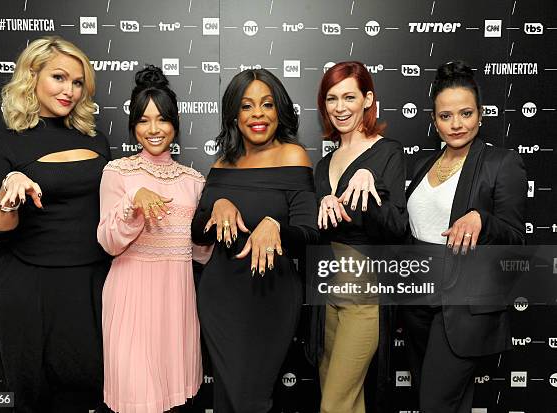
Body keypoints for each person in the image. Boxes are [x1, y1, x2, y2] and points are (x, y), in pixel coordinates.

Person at [0, 36, 111, 412]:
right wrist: (9, 193)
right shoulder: (6, 145)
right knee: (32, 397)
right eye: (59, 77)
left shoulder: (98, 141)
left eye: (78, 82)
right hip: (27, 286)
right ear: (32, 76)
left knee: (91, 393)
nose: (70, 90)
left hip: (89, 282)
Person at [400, 60, 527, 412]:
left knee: (434, 402)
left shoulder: (501, 163)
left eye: (466, 113)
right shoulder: (423, 165)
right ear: (433, 121)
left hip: (462, 306)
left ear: (481, 114)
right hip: (418, 301)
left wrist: (482, 220)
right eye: (445, 116)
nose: (456, 124)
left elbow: (516, 237)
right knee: (451, 403)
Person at [191, 68, 320, 412]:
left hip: (270, 297)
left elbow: (309, 233)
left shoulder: (294, 156)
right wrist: (218, 203)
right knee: (226, 399)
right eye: (247, 106)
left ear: (280, 110)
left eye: (267, 104)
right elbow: (196, 229)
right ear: (235, 114)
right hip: (219, 297)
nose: (258, 114)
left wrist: (275, 225)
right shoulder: (222, 163)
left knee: (252, 400)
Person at [97, 65, 210, 413]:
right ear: (133, 127)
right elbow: (108, 241)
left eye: (162, 119)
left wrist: (221, 221)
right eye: (143, 120)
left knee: (173, 397)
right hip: (130, 298)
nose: (154, 129)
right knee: (135, 396)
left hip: (176, 301)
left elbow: (200, 253)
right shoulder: (117, 172)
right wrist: (134, 203)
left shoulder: (194, 180)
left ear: (175, 125)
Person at [312, 61, 408, 413]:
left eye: (349, 97)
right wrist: (320, 201)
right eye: (332, 98)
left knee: (335, 404)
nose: (340, 107)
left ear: (367, 99)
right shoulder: (324, 164)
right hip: (326, 293)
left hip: (364, 294)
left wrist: (371, 190)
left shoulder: (387, 152)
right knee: (343, 399)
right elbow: (314, 229)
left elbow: (398, 229)